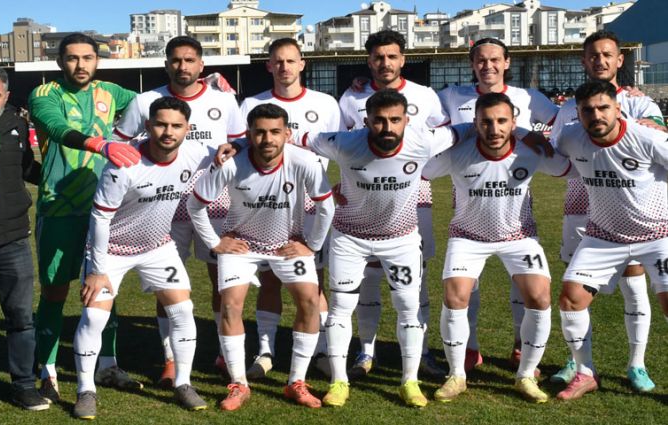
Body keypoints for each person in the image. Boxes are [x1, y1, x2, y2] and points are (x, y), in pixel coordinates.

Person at [423, 92, 571, 404]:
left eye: (502, 121)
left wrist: (533, 137)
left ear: (514, 123)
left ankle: (526, 375)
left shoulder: (531, 150)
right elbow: (419, 169)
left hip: (519, 237)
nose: (494, 128)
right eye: (486, 122)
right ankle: (456, 375)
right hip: (467, 237)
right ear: (475, 124)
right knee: (455, 296)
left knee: (540, 296)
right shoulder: (458, 152)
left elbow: (567, 168)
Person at [114, 35, 245, 387]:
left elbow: (239, 142)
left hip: (214, 204)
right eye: (175, 60)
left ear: (202, 65)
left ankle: (223, 353)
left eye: (189, 60)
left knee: (221, 281)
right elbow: (118, 146)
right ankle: (170, 358)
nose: (182, 66)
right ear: (166, 64)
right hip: (162, 204)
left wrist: (230, 150)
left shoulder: (223, 99)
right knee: (166, 284)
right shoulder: (145, 101)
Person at [73, 96, 212, 419]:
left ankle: (183, 383)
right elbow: (100, 218)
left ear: (188, 129)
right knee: (94, 317)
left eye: (176, 126)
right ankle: (85, 390)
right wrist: (97, 271)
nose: (168, 132)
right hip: (111, 250)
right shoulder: (124, 163)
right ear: (148, 125)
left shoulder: (196, 153)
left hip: (157, 247)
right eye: (161, 124)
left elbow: (233, 148)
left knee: (183, 311)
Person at [188, 103, 334, 410]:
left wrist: (312, 245)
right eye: (260, 132)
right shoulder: (230, 163)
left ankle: (296, 382)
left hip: (287, 244)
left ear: (287, 134)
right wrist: (215, 242)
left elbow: (326, 206)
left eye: (275, 131)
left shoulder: (305, 160)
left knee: (310, 300)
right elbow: (195, 204)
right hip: (241, 245)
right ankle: (239, 384)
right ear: (249, 134)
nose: (268, 139)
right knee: (230, 304)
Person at [549, 30, 667, 391]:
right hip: (589, 213)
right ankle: (580, 365)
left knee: (636, 284)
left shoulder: (640, 105)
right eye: (593, 55)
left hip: (648, 222)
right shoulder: (568, 115)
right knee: (573, 294)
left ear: (619, 59)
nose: (600, 60)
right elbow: (554, 153)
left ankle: (637, 364)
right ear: (584, 60)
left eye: (607, 54)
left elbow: (658, 135)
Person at [29, 33, 142, 403]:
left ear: (97, 60)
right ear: (60, 62)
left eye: (87, 58)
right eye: (73, 58)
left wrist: (208, 88)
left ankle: (108, 364)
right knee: (55, 291)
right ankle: (47, 371)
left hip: (104, 209)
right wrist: (98, 143)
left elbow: (155, 103)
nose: (80, 65)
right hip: (59, 209)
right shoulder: (45, 94)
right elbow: (56, 128)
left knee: (104, 288)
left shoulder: (111, 92)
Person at [436, 37, 559, 373]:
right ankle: (470, 346)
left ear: (507, 62)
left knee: (524, 284)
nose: (487, 66)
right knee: (467, 284)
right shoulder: (451, 96)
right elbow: (415, 114)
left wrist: (528, 134)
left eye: (494, 60)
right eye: (480, 60)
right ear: (472, 64)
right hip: (468, 196)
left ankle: (521, 344)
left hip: (514, 200)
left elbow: (564, 121)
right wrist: (363, 86)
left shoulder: (528, 97)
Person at [338, 29, 448, 379]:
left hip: (413, 197)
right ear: (368, 61)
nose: (385, 63)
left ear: (403, 59)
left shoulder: (425, 95)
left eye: (391, 56)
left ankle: (422, 353)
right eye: (378, 57)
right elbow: (338, 143)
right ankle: (365, 351)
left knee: (417, 279)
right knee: (367, 277)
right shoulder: (351, 97)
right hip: (362, 200)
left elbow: (444, 137)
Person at [239, 37, 344, 379]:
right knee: (269, 281)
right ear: (269, 66)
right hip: (268, 207)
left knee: (314, 284)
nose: (284, 67)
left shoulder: (326, 104)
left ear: (302, 64)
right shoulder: (252, 103)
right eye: (278, 61)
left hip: (313, 208)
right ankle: (265, 351)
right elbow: (241, 150)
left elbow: (342, 149)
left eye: (290, 60)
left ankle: (323, 351)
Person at [0, 64, 48, 410]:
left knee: (21, 319)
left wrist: (58, 179)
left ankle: (24, 385)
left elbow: (25, 166)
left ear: (6, 97)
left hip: (13, 239)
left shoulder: (16, 123)